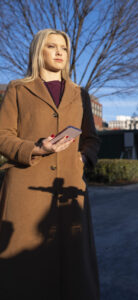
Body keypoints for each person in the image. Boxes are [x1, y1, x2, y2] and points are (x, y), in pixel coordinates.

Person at [0, 29, 100, 299]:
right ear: (38, 51)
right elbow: (3, 135)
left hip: (68, 184)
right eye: (52, 46)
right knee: (25, 270)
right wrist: (34, 147)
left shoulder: (81, 93)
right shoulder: (17, 89)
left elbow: (92, 139)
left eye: (64, 48)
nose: (59, 52)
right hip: (25, 189)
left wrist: (81, 158)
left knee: (74, 267)